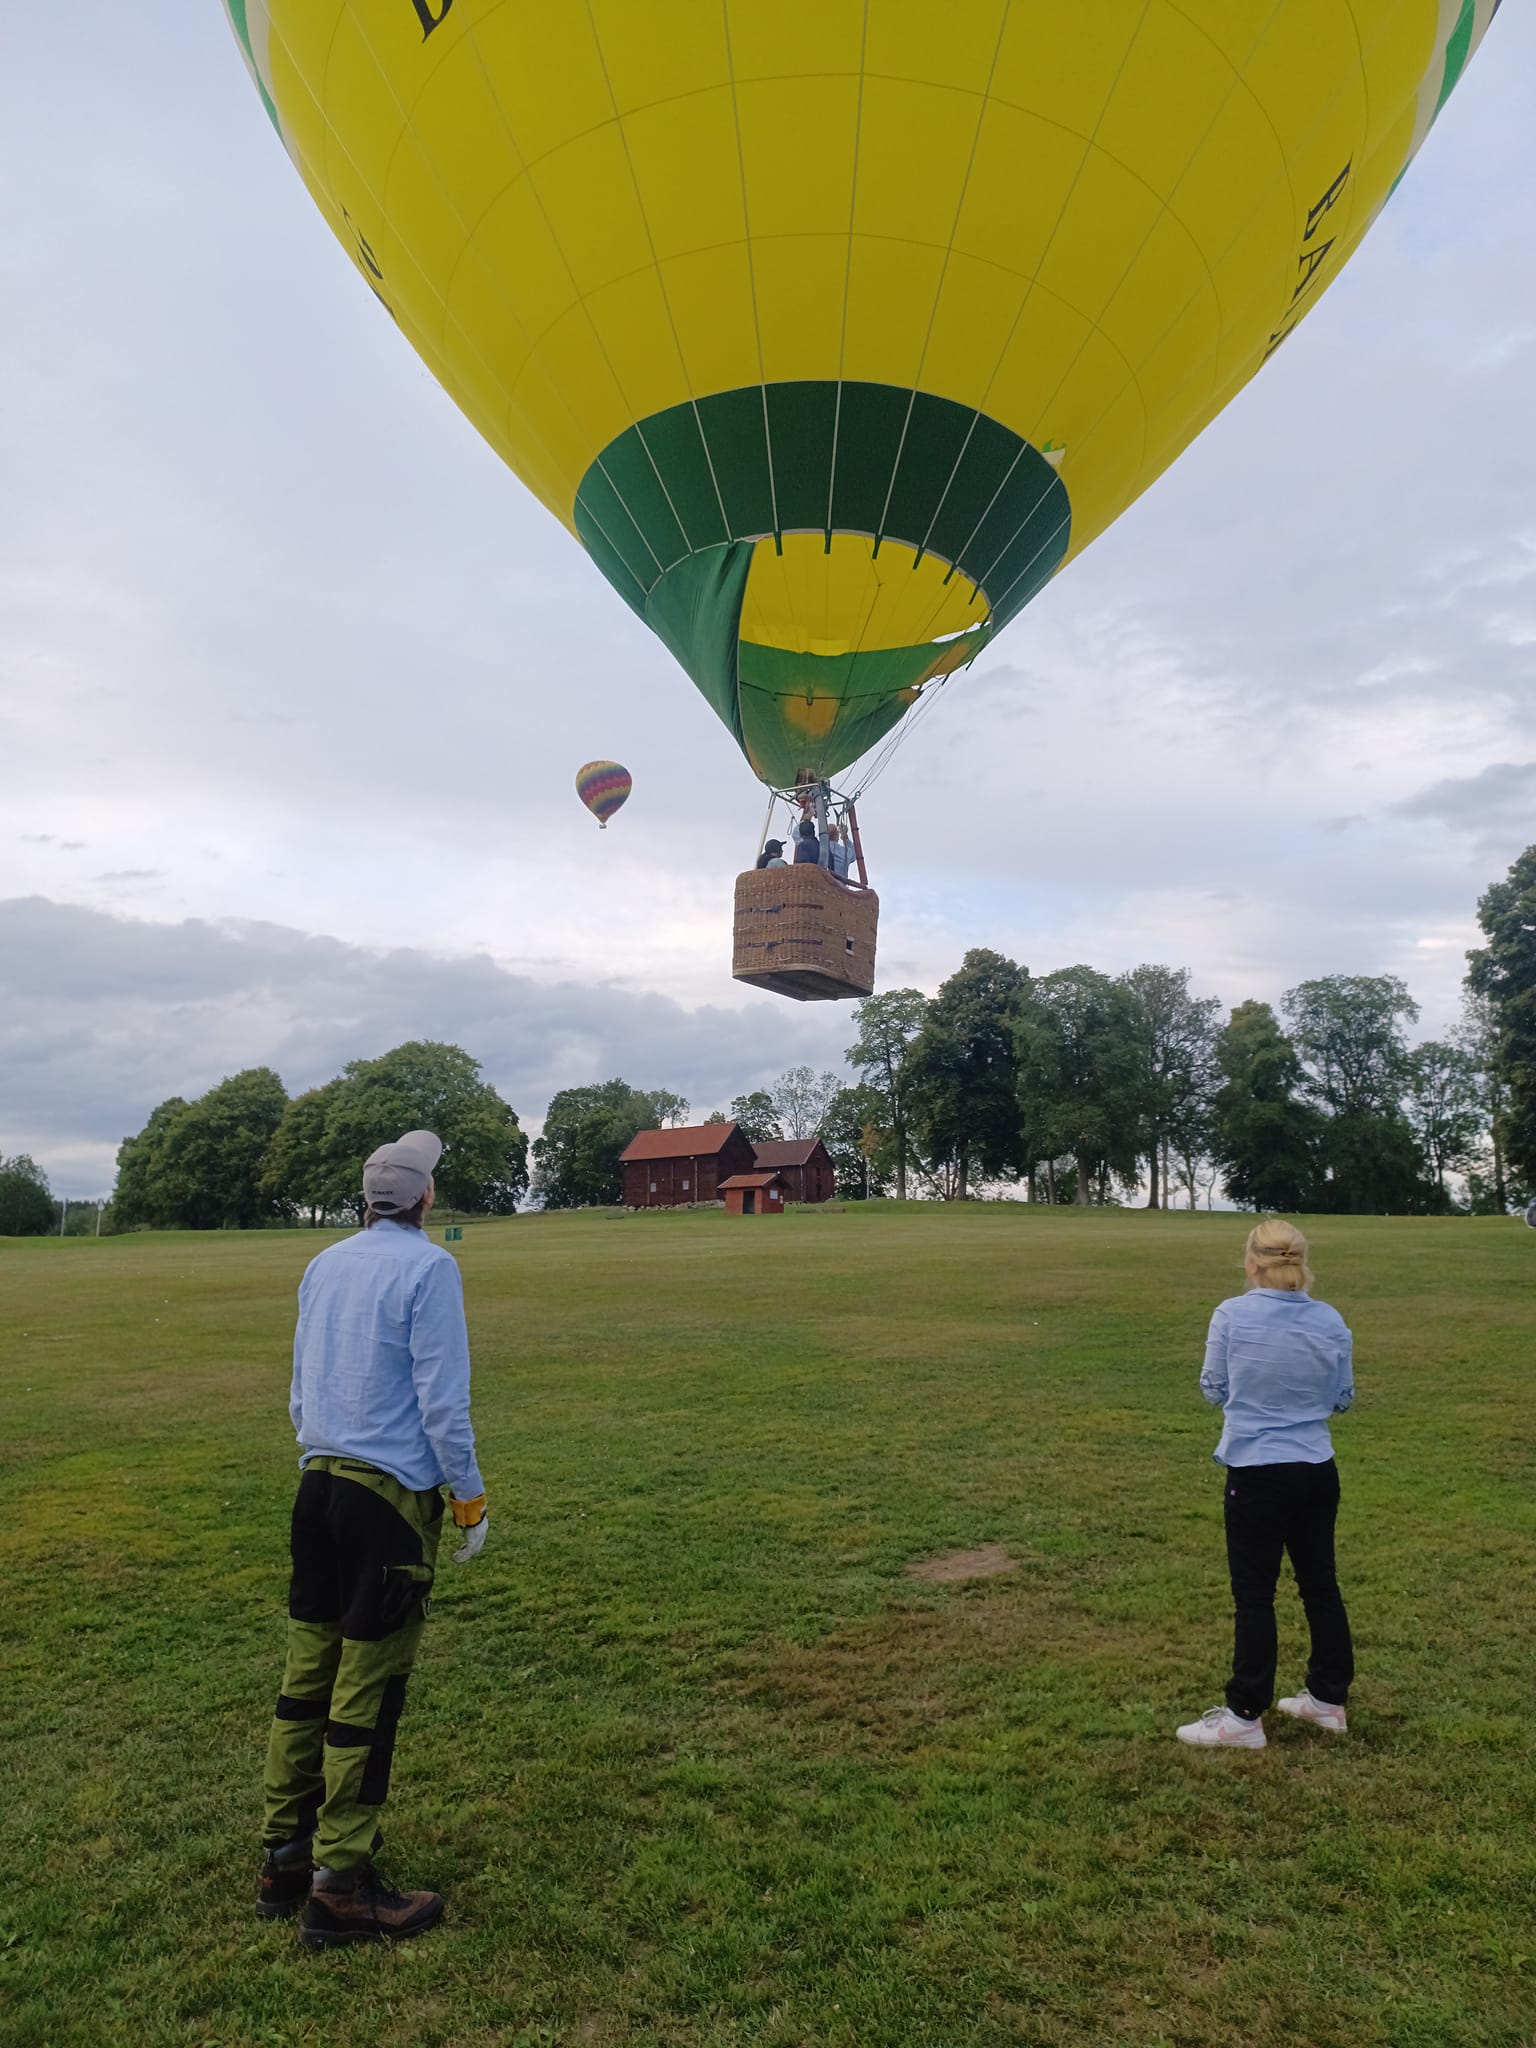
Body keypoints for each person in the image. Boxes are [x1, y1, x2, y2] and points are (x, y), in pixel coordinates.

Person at [258, 1129, 489, 1946]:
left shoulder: (325, 1263)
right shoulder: (430, 1267)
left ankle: (284, 1854)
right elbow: (442, 1402)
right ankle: (341, 1886)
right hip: (385, 1503)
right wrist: (469, 1498)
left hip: (314, 1486)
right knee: (367, 1691)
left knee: (306, 1676)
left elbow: (299, 1383)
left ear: (367, 1198)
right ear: (425, 1197)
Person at [1176, 1219, 1354, 1749]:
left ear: (1252, 1261)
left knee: (1254, 1593)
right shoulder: (1330, 1320)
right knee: (1319, 1584)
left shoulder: (1232, 1314)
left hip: (1257, 1470)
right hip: (1316, 1468)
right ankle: (1327, 1700)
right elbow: (1342, 1399)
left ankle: (1244, 1716)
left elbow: (1213, 1389)